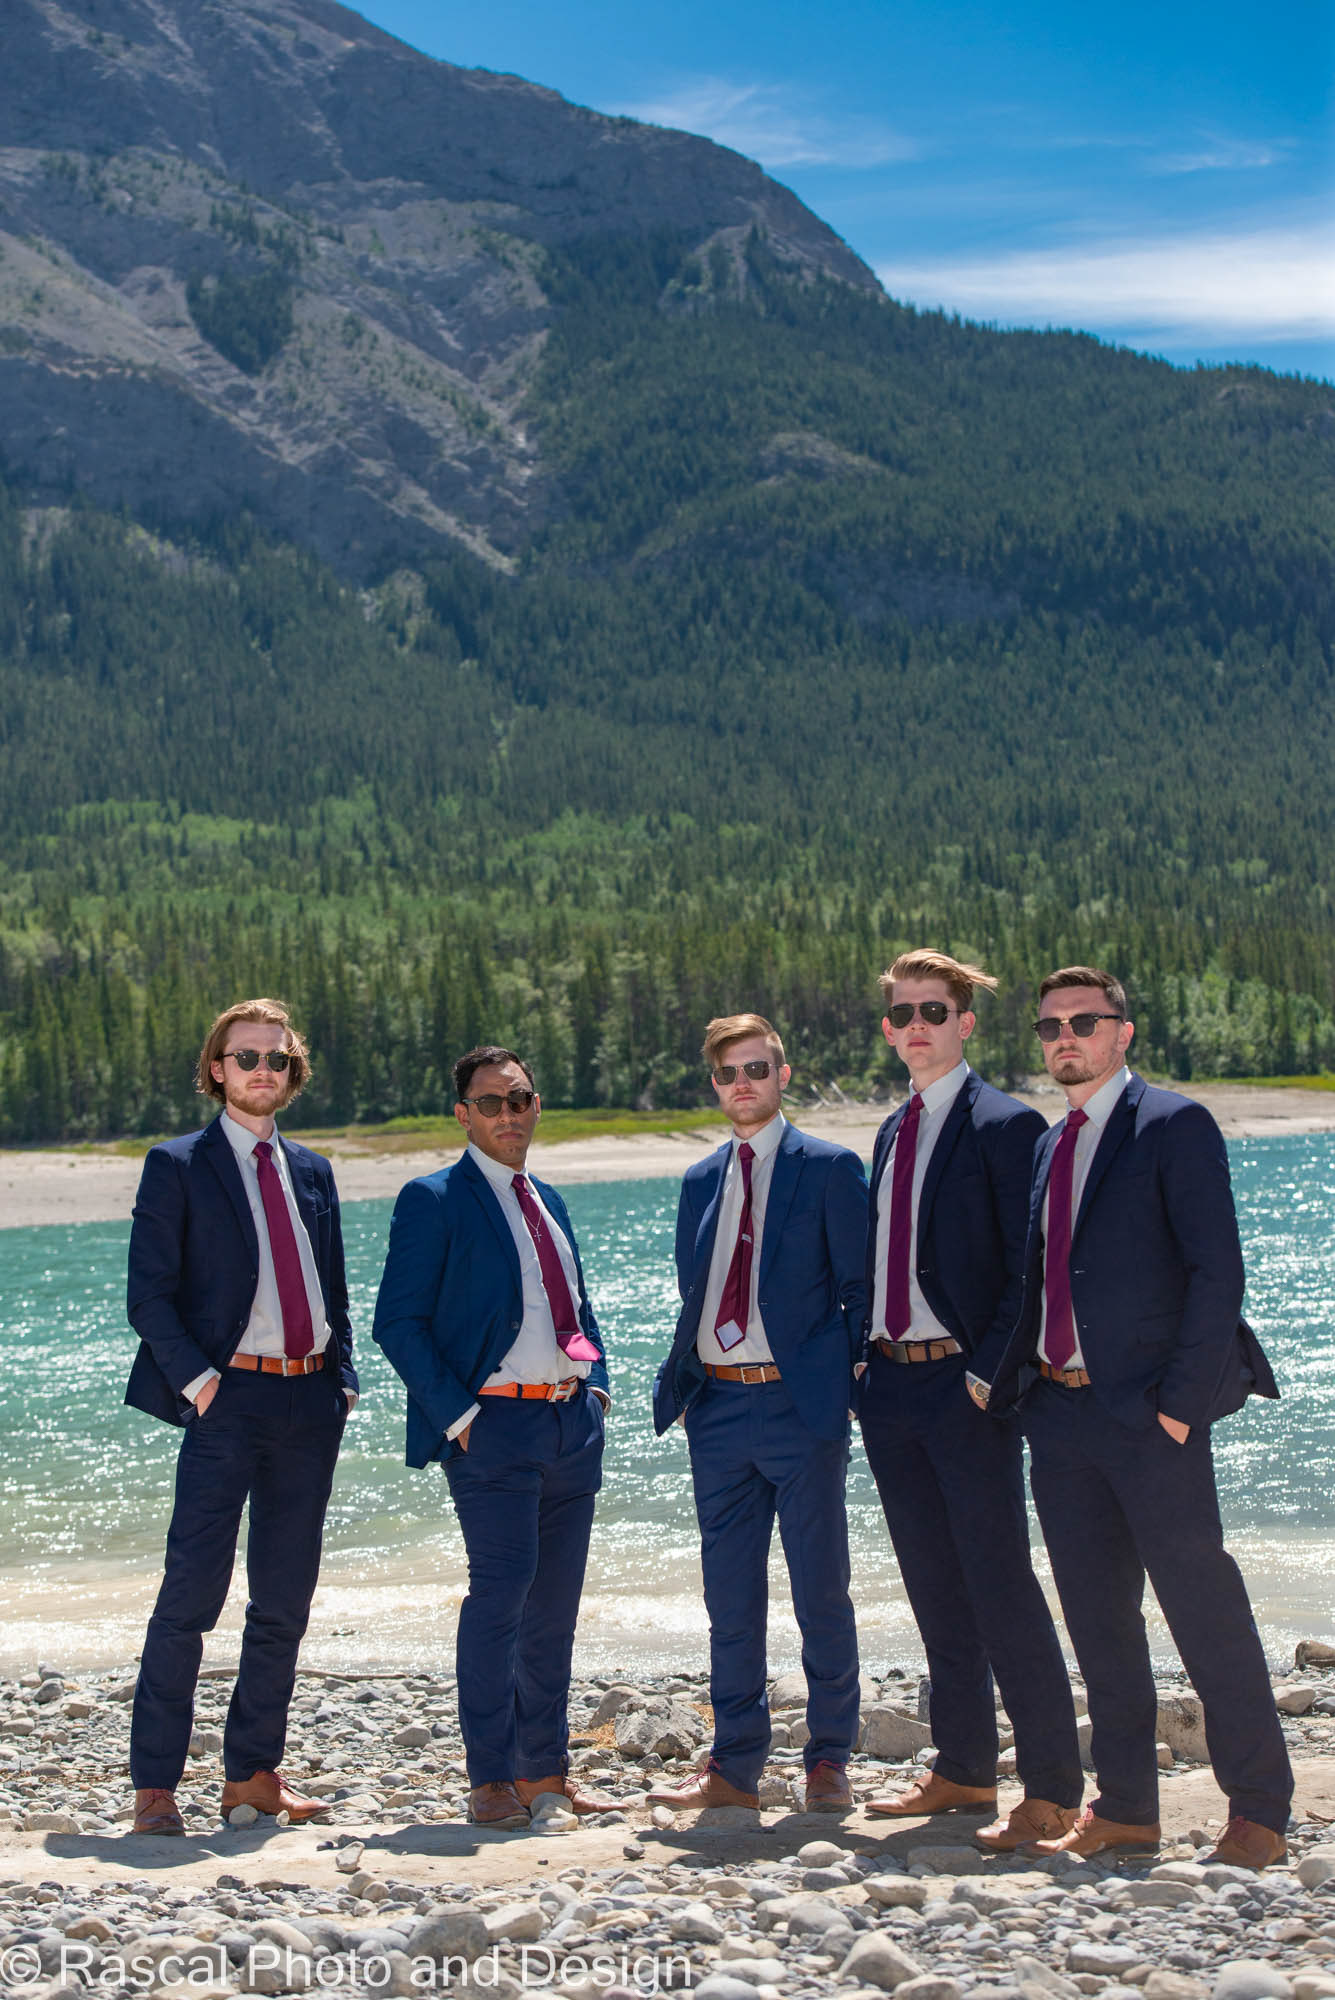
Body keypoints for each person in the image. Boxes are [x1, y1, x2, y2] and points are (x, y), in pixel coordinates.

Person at [985, 965, 1293, 1867]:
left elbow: (1216, 1274)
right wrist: (1005, 1386)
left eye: (1082, 1022)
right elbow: (1039, 1282)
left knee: (1204, 1611)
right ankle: (1124, 1808)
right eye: (1049, 1026)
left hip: (1150, 1420)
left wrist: (1179, 1411)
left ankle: (1258, 1812)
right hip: (1060, 1417)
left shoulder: (1172, 1124)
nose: (1064, 1038)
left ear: (1122, 1032)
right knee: (1098, 1620)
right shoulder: (1049, 1143)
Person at [857, 951, 1083, 1848]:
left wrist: (987, 1374)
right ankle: (961, 1767)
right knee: (932, 1585)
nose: (917, 1025)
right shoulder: (889, 1130)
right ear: (888, 1030)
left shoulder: (1004, 1124)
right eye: (903, 1013)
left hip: (964, 1385)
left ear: (964, 1022)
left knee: (999, 1584)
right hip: (888, 1385)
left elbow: (1028, 1270)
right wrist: (861, 1368)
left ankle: (1052, 1788)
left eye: (933, 1011)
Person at [124, 998, 357, 1836]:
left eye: (276, 1058)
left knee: (284, 1601)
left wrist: (343, 1377)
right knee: (190, 1595)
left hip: (309, 1401)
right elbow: (148, 1296)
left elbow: (332, 1287)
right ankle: (156, 1787)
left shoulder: (313, 1171)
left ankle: (253, 1775)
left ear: (293, 1071)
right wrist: (200, 1384)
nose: (263, 1070)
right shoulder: (177, 1165)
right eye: (246, 1057)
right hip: (226, 1400)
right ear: (217, 1069)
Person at [372, 1045, 612, 1829]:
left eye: (520, 1099)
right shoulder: (433, 1199)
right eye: (490, 1103)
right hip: (493, 1427)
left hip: (569, 1423)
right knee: (500, 1599)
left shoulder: (550, 1198)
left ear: (535, 1106)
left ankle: (545, 1771)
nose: (508, 1114)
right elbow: (396, 1323)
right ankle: (490, 1778)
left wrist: (597, 1385)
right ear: (463, 1115)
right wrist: (461, 1418)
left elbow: (575, 1303)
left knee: (554, 1611)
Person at [649, 1013, 867, 1813]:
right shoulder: (699, 1180)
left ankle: (828, 1759)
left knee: (820, 1592)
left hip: (798, 1407)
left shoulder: (830, 1168)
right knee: (730, 1599)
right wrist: (685, 1385)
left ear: (782, 1075)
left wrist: (846, 1388)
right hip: (716, 1407)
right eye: (727, 1073)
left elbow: (859, 1291)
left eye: (756, 1069)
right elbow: (694, 1291)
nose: (741, 1084)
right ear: (715, 1084)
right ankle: (734, 1767)